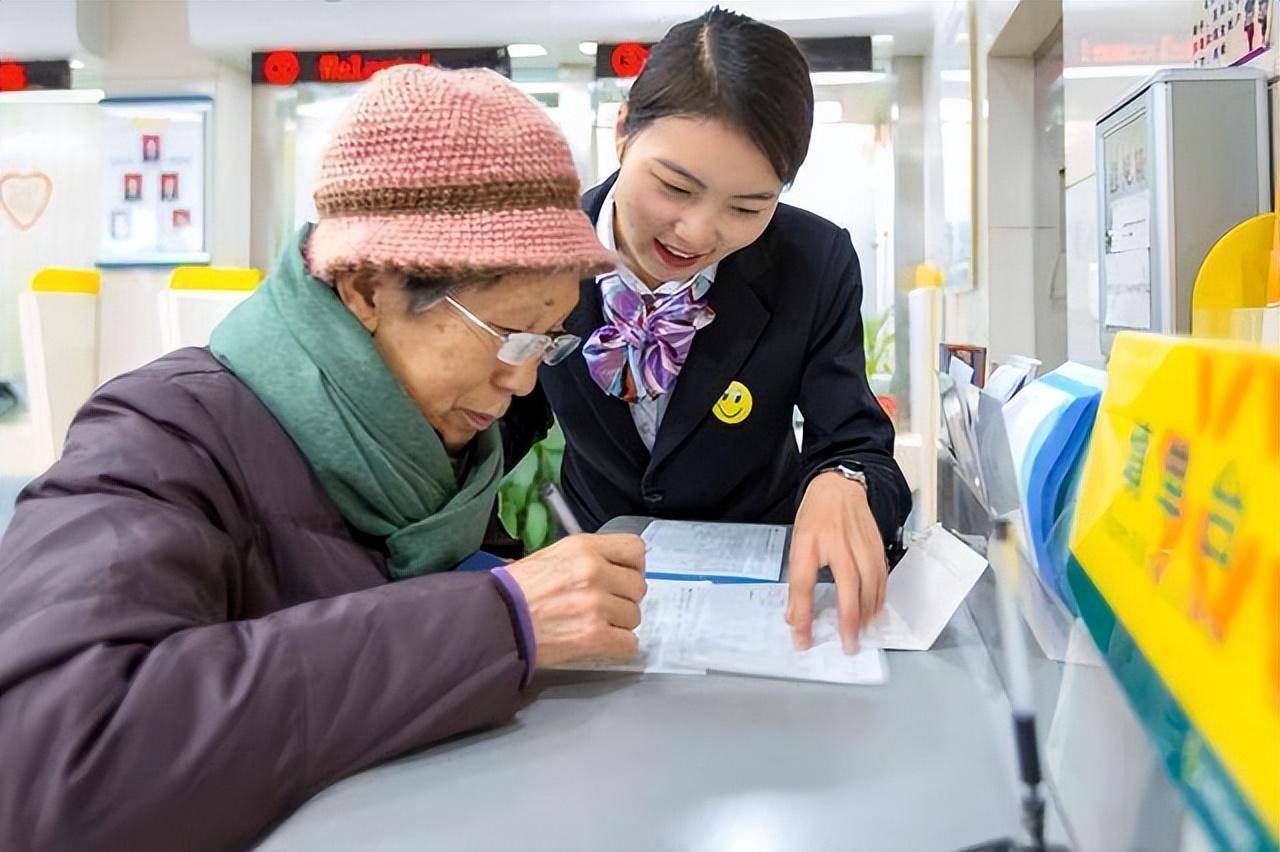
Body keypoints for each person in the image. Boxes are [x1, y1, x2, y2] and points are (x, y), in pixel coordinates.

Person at [0, 65, 647, 852]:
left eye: (546, 340)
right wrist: (494, 622)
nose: (519, 381)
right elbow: (56, 762)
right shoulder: (161, 434)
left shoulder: (438, 452)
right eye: (505, 333)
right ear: (367, 290)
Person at [506, 7, 911, 655]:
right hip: (593, 591)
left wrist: (846, 482)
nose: (697, 233)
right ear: (622, 134)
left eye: (747, 207)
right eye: (673, 187)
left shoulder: (813, 260)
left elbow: (856, 442)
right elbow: (495, 424)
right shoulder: (545, 249)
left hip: (762, 604)